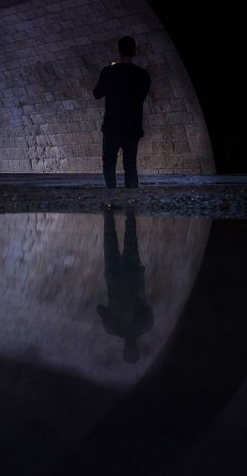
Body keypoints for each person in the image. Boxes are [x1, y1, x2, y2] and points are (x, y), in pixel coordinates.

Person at [93, 36, 151, 189]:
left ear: (119, 51)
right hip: (132, 126)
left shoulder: (109, 71)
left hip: (112, 125)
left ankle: (111, 198)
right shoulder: (142, 75)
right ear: (134, 52)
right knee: (130, 165)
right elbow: (141, 97)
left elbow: (97, 93)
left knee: (109, 164)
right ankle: (131, 201)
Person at [97, 208, 153, 363]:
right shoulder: (112, 328)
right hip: (115, 279)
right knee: (110, 240)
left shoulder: (146, 325)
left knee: (130, 241)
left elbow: (146, 305)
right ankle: (109, 214)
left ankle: (129, 214)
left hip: (133, 278)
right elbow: (99, 308)